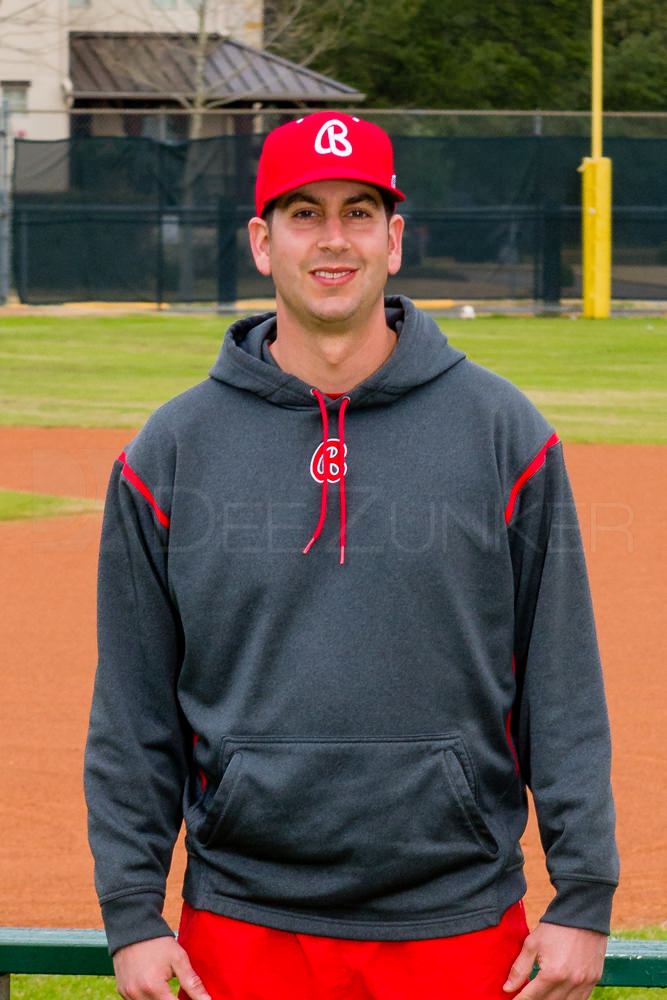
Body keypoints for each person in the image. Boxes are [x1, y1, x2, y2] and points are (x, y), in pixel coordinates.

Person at [84, 111, 619, 1000]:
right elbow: (133, 702)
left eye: (358, 211)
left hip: (458, 918)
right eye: (303, 213)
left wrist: (585, 893)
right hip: (243, 919)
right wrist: (133, 911)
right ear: (261, 242)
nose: (332, 239)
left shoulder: (501, 431)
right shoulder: (171, 450)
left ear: (393, 238)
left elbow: (561, 681)